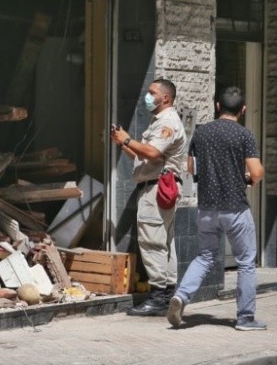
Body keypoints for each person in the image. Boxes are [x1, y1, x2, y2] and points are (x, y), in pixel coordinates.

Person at [166, 86, 266, 331]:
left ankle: (181, 296)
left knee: (205, 256)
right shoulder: (244, 135)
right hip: (235, 209)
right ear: (242, 110)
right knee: (245, 262)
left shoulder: (201, 133)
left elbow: (190, 167)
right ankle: (245, 318)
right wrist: (247, 178)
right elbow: (256, 172)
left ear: (217, 106)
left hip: (207, 209)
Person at [110, 78, 187, 316]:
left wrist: (127, 139)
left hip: (156, 190)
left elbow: (153, 152)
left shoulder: (168, 122)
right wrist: (123, 143)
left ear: (165, 98)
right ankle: (167, 294)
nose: (148, 96)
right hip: (158, 188)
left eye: (152, 93)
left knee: (153, 243)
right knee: (164, 243)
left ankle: (158, 298)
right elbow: (147, 155)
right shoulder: (160, 120)